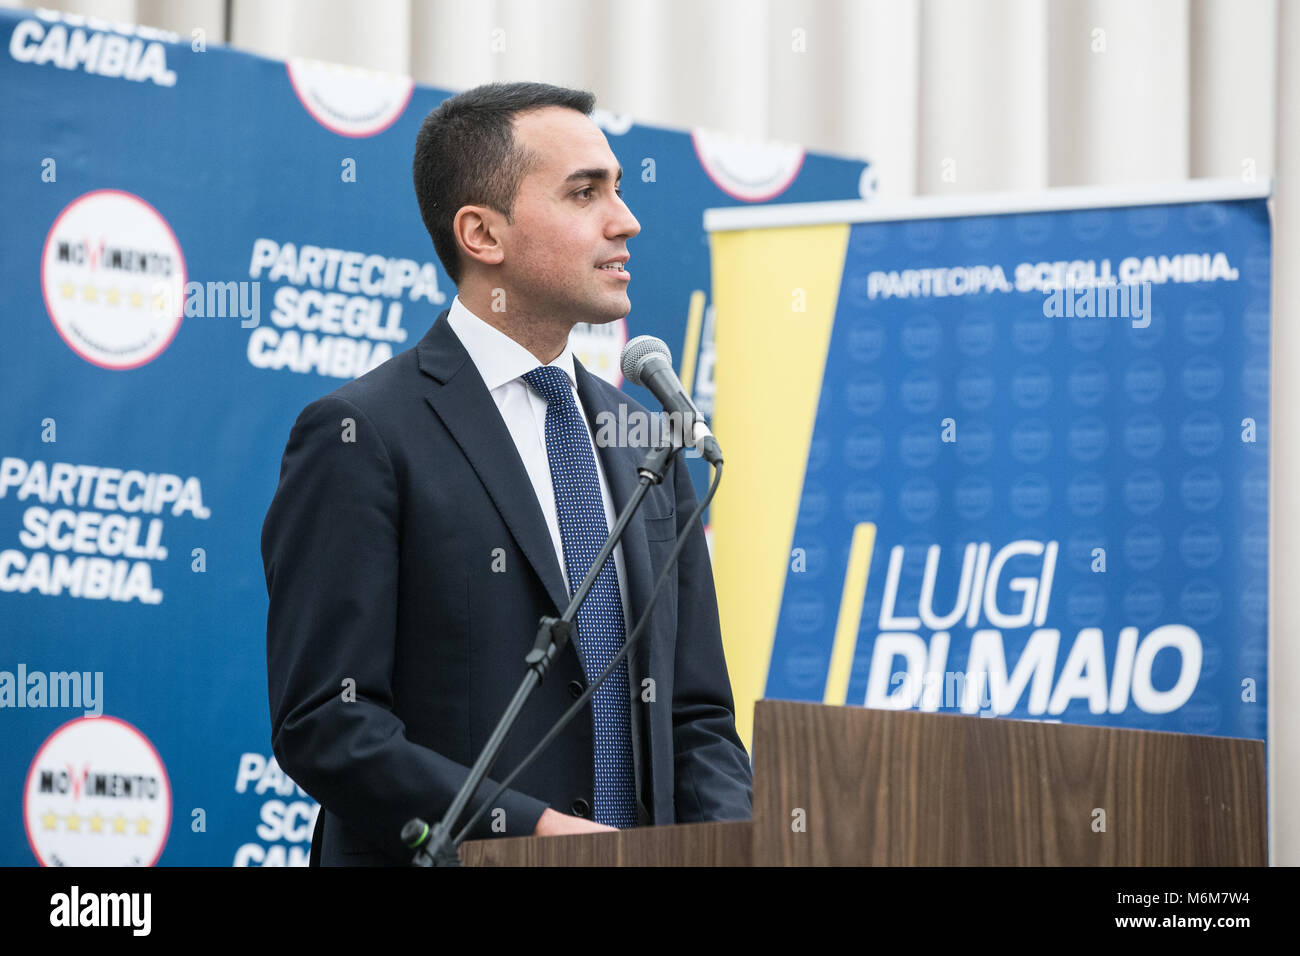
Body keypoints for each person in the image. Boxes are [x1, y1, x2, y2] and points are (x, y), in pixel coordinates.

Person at [261, 81, 753, 866]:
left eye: (618, 190)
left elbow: (696, 718)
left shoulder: (646, 437)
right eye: (584, 193)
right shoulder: (362, 434)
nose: (625, 220)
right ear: (482, 235)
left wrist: (734, 847)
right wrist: (536, 835)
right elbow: (328, 725)